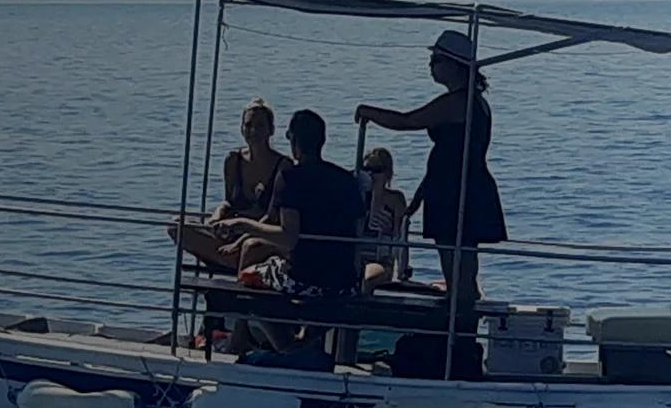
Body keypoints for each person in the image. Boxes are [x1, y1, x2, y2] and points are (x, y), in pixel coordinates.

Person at [354, 30, 506, 306]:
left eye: (436, 60)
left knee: (456, 266)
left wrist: (369, 112)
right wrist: (419, 198)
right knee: (462, 265)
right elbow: (449, 156)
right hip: (456, 187)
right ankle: (460, 321)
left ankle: (458, 326)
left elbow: (409, 120)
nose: (431, 65)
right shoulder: (473, 102)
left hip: (456, 193)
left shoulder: (458, 102)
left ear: (454, 64)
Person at [212, 110, 363, 355]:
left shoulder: (291, 177)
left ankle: (286, 348)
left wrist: (242, 225)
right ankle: (305, 341)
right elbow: (357, 232)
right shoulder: (346, 179)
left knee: (249, 279)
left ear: (293, 141)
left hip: (305, 279)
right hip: (344, 282)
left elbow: (288, 236)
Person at [173, 98, 289, 270]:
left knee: (252, 246)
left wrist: (241, 241)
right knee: (177, 226)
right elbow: (229, 202)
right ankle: (232, 261)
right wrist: (217, 216)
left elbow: (273, 216)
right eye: (248, 125)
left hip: (261, 238)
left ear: (271, 130)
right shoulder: (233, 160)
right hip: (233, 232)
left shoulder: (283, 165)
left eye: (260, 125)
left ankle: (231, 260)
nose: (253, 130)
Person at [357, 147, 410, 293]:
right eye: (366, 169)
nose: (371, 174)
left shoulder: (395, 200)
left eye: (376, 169)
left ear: (387, 172)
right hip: (355, 256)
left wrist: (402, 271)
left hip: (380, 261)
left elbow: (401, 238)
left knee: (365, 278)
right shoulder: (357, 196)